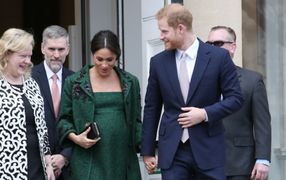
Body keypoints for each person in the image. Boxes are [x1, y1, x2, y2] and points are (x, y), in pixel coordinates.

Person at [141, 4, 243, 180]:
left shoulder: (219, 57)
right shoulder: (158, 62)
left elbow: (235, 98)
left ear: (180, 28)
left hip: (209, 149)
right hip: (173, 152)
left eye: (164, 31)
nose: (161, 37)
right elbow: (152, 107)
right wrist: (147, 151)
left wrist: (204, 113)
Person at [57, 30, 142, 180]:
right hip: (89, 157)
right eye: (99, 59)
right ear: (92, 54)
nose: (104, 65)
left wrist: (148, 150)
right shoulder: (75, 82)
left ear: (117, 56)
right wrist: (76, 138)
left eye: (110, 59)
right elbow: (64, 119)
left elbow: (136, 122)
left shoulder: (130, 82)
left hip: (122, 156)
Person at [207, 26, 271, 180]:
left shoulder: (252, 80)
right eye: (208, 44)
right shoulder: (198, 81)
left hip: (241, 164)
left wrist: (263, 159)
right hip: (205, 163)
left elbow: (262, 123)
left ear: (232, 47)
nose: (211, 48)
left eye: (218, 43)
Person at [0, 28, 55, 180]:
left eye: (29, 56)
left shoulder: (31, 84)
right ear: (7, 54)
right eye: (22, 56)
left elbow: (42, 128)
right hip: (8, 171)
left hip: (38, 169)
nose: (28, 61)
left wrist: (48, 163)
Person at [32, 25, 74, 179]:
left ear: (68, 49)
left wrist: (65, 156)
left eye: (61, 49)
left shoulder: (76, 80)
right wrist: (45, 158)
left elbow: (80, 122)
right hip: (37, 166)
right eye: (51, 49)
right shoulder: (28, 79)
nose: (56, 55)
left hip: (70, 168)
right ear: (42, 48)